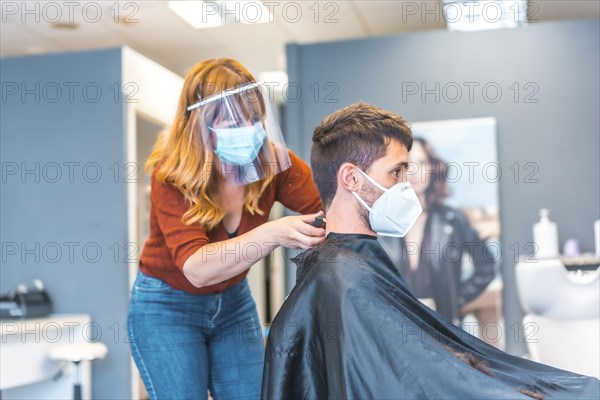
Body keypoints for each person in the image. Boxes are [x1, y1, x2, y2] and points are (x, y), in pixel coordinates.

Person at [261, 102, 599, 399]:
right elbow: (412, 381)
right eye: (396, 172)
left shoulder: (346, 266)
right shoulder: (345, 279)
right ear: (351, 178)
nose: (406, 185)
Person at [127, 58, 325, 400]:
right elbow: (197, 269)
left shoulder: (270, 163)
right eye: (234, 121)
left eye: (254, 119)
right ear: (199, 126)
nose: (248, 130)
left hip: (233, 302)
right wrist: (274, 233)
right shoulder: (172, 177)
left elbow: (328, 207)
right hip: (167, 307)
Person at [379, 137, 498, 325]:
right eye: (408, 165)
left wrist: (456, 300)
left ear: (432, 169)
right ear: (397, 171)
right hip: (396, 328)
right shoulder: (383, 223)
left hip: (443, 328)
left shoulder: (453, 220)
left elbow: (487, 266)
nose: (415, 172)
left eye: (422, 163)